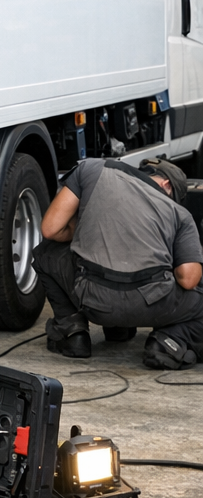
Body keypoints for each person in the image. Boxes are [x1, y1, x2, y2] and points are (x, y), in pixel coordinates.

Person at [35, 157, 203, 369]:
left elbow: (50, 229)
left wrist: (90, 226)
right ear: (166, 185)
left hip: (92, 298)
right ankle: (168, 342)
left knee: (45, 254)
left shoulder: (92, 169)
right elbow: (189, 279)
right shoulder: (180, 214)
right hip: (151, 304)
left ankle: (72, 332)